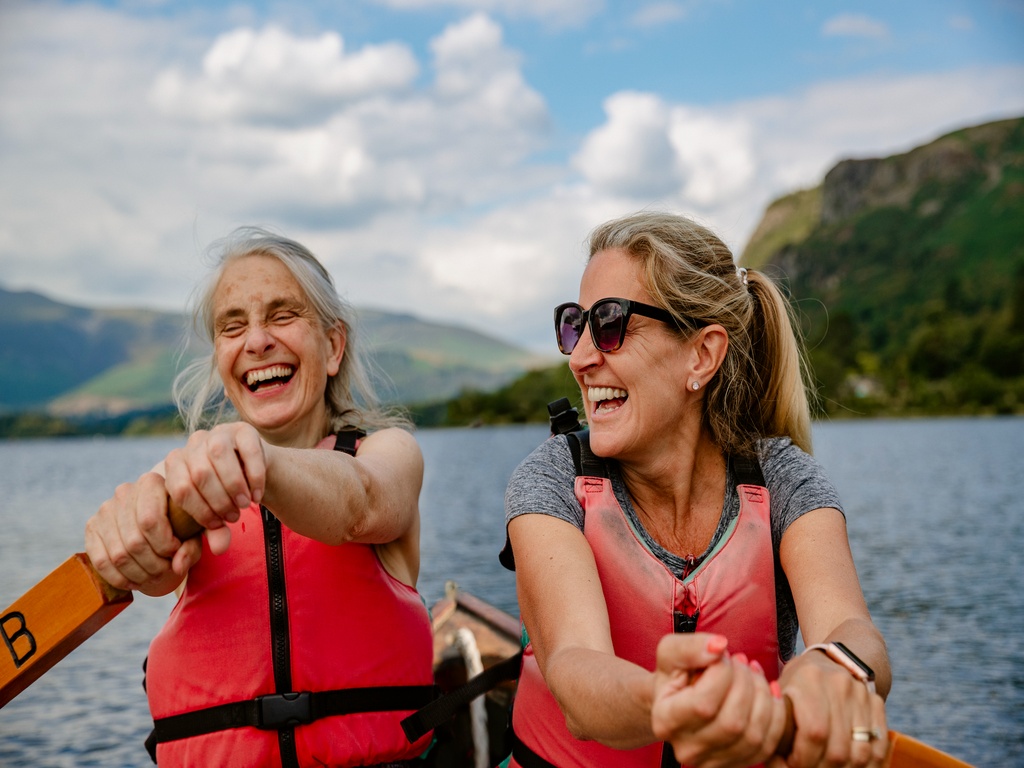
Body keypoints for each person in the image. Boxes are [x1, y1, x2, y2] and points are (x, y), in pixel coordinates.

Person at [501, 211, 891, 768]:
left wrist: (831, 670)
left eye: (609, 323)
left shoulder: (783, 476)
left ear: (702, 355)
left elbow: (852, 629)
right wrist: (676, 701)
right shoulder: (550, 481)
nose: (582, 357)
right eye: (574, 324)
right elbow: (574, 667)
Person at [84, 227, 435, 768]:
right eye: (233, 326)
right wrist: (122, 532)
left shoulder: (388, 452)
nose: (256, 342)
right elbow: (154, 574)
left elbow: (367, 503)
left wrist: (257, 460)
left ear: (333, 346)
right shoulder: (186, 478)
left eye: (281, 315)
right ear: (224, 370)